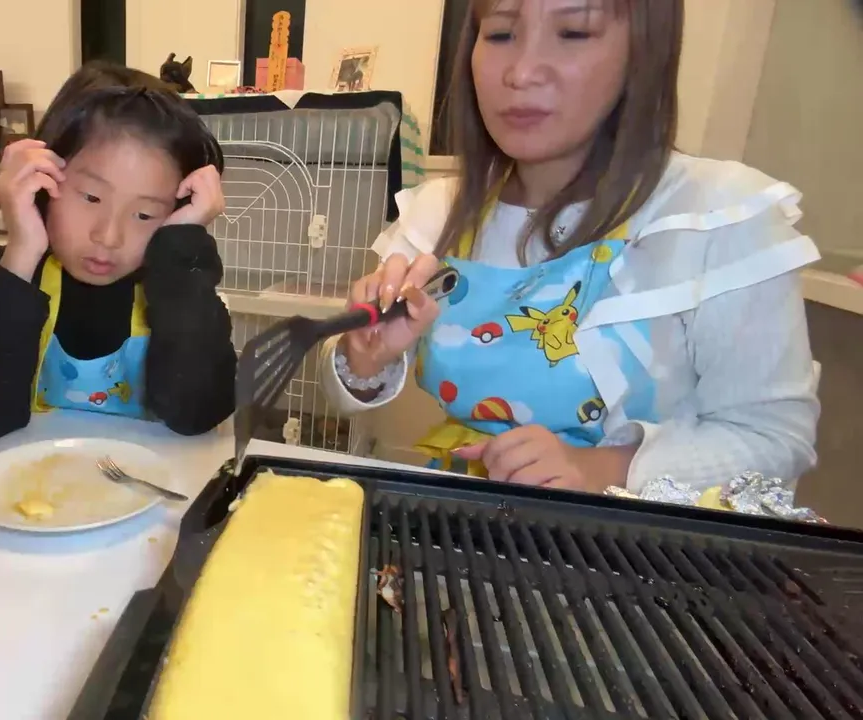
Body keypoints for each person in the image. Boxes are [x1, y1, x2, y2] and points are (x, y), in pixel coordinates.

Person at [322, 0, 820, 494]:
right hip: (462, 525)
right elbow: (344, 392)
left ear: (645, 52)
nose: (521, 73)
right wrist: (364, 357)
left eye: (574, 33)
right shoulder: (439, 212)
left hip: (636, 541)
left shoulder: (719, 215)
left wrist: (602, 468)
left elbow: (774, 439)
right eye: (500, 35)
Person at [0, 62, 236, 444]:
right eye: (91, 197)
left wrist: (182, 245)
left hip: (145, 481)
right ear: (43, 178)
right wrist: (21, 251)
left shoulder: (177, 290)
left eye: (145, 214)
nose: (108, 236)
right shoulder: (2, 278)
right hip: (32, 478)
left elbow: (198, 415)